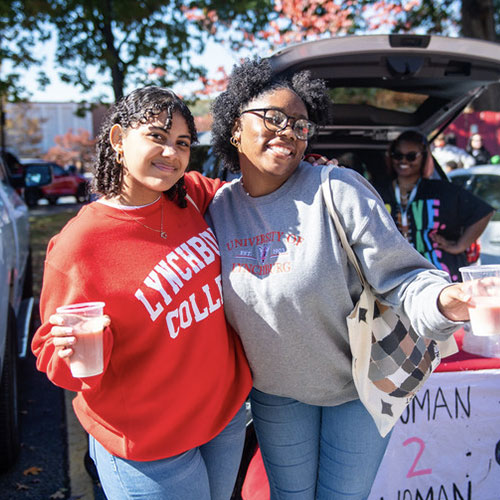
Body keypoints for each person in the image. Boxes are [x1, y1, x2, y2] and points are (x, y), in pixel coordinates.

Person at [205, 58, 474, 500]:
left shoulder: (338, 189)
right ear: (235, 128)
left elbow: (404, 277)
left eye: (300, 125)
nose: (289, 131)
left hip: (358, 390)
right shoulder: (215, 208)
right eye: (274, 118)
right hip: (275, 394)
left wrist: (448, 300)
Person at [31, 86, 252, 499]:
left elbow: (254, 193)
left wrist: (308, 170)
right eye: (157, 137)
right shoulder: (79, 245)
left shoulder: (189, 196)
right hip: (148, 446)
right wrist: (71, 347)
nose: (171, 153)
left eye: (182, 144)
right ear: (118, 140)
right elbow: (54, 355)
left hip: (224, 416)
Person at [376, 130, 494, 282]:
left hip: (441, 276)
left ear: (424, 158)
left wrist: (459, 246)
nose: (403, 161)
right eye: (398, 155)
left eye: (411, 156)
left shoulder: (441, 190)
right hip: (395, 277)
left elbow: (483, 213)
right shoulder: (377, 192)